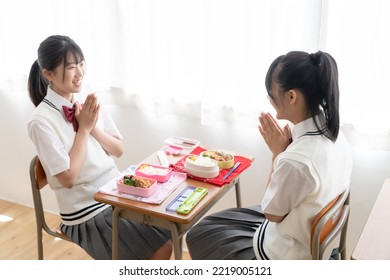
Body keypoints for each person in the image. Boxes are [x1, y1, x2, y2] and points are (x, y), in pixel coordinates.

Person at [185, 50, 353, 260]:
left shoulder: (297, 161)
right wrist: (286, 151)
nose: (269, 98)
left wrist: (277, 155)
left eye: (271, 93)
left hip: (284, 253)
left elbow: (271, 213)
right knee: (209, 226)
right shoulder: (337, 135)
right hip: (311, 239)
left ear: (292, 96)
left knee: (198, 234)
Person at [27, 35, 172, 260]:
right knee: (156, 250)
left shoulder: (89, 103)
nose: (80, 72)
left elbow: (117, 150)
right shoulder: (40, 121)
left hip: (115, 193)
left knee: (167, 235)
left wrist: (93, 128)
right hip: (85, 212)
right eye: (71, 67)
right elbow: (68, 179)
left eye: (81, 64)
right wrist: (83, 130)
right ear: (48, 74)